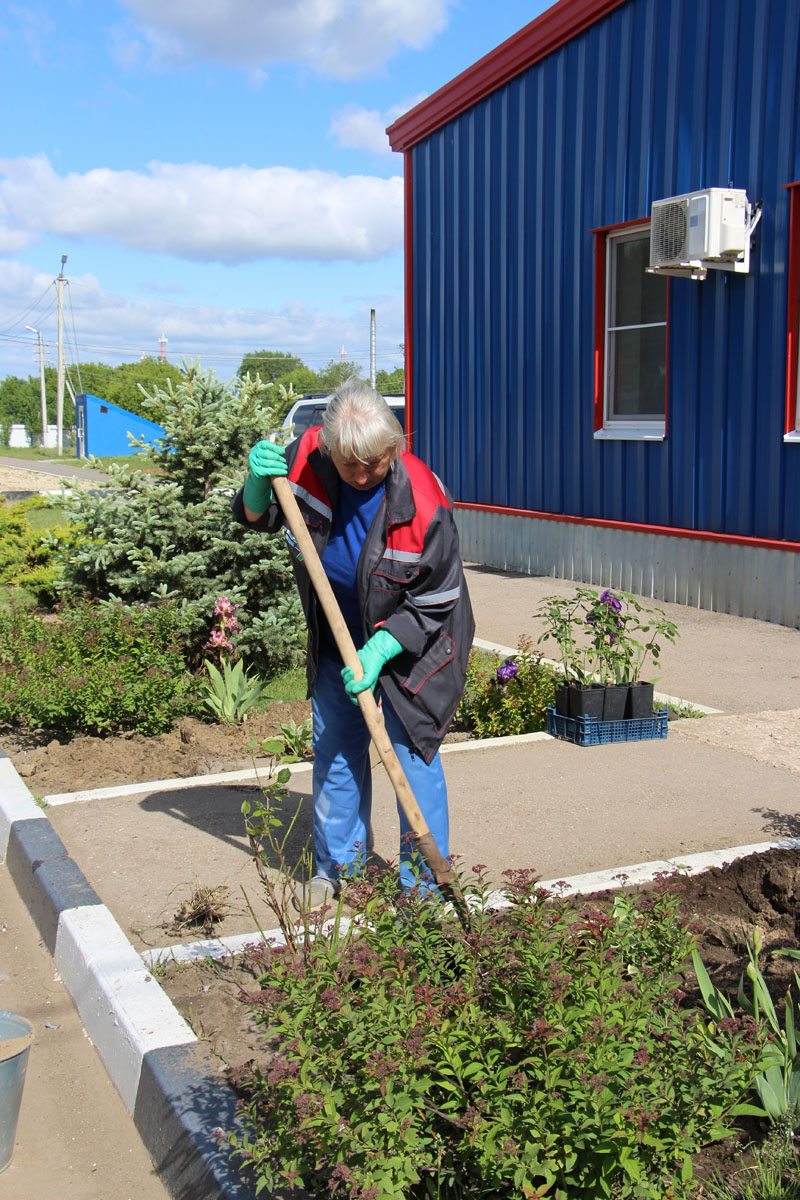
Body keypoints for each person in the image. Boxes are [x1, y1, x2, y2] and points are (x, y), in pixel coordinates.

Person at [232, 379, 474, 903]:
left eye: (374, 463)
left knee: (413, 759)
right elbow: (259, 517)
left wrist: (383, 648)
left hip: (418, 646)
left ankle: (425, 890)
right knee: (337, 751)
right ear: (328, 449)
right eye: (350, 466)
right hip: (336, 636)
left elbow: (439, 597)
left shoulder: (425, 504)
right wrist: (255, 485)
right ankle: (341, 869)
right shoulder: (304, 459)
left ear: (395, 448)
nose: (362, 475)